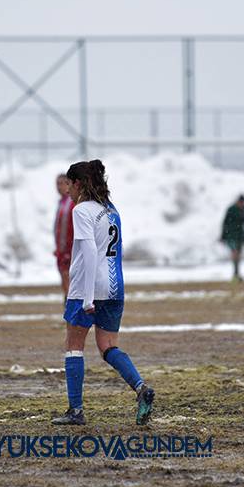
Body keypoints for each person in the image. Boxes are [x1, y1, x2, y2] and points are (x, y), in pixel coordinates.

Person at [52, 160, 154, 426]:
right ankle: (141, 388)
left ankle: (76, 411)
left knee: (74, 347)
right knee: (108, 346)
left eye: (69, 186)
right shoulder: (111, 210)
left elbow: (88, 252)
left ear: (77, 184)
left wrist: (86, 298)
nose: (67, 193)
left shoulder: (81, 210)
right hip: (115, 286)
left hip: (87, 287)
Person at [53, 174, 75, 298]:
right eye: (57, 184)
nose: (59, 187)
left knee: (69, 280)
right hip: (61, 250)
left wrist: (69, 248)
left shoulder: (71, 203)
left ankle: (72, 308)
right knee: (64, 280)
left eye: (62, 183)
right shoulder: (61, 203)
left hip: (70, 249)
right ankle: (68, 306)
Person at [221, 193, 244, 282]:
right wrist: (223, 236)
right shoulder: (231, 209)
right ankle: (235, 274)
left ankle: (236, 274)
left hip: (240, 236)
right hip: (231, 235)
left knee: (238, 254)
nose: (241, 204)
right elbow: (225, 223)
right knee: (235, 253)